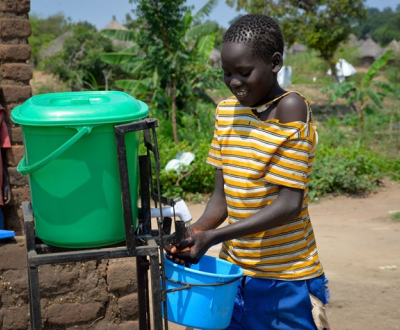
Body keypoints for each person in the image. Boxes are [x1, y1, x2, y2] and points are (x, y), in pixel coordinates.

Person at [166, 14, 330, 330]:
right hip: (234, 272)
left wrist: (215, 236)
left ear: (275, 62)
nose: (235, 82)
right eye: (227, 74)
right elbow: (221, 199)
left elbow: (288, 205)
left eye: (244, 72)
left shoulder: (291, 108)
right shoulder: (226, 113)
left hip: (285, 278)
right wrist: (197, 232)